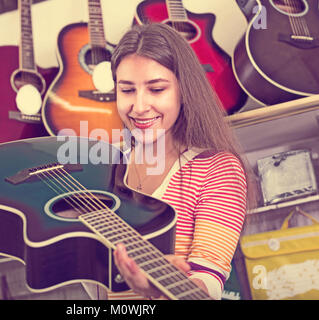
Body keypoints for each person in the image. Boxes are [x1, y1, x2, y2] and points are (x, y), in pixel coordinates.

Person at [106, 23, 256, 300]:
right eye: (127, 90)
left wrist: (165, 287)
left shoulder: (218, 170)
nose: (139, 106)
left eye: (156, 89)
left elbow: (207, 282)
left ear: (183, 90)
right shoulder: (105, 170)